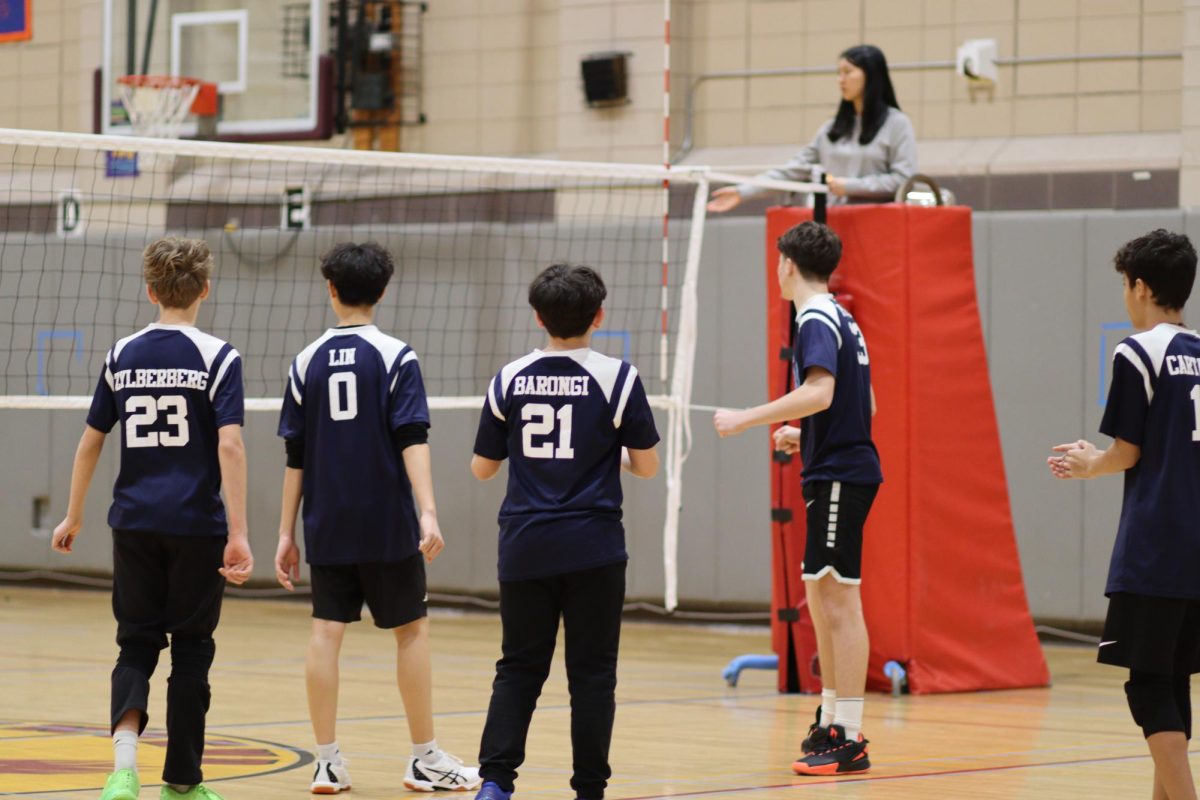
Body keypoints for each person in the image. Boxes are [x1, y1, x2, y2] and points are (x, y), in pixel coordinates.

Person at [51, 237, 254, 800]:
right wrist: (238, 533)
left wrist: (73, 514)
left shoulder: (122, 354)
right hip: (196, 525)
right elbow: (230, 447)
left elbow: (91, 441)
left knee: (135, 644)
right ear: (204, 291)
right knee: (192, 649)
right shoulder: (220, 357)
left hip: (134, 522)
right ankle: (184, 783)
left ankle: (122, 771)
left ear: (149, 290)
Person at [274, 242, 480, 795]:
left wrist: (285, 532)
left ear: (330, 289)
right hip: (386, 520)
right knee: (411, 632)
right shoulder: (396, 356)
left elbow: (295, 455)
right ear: (383, 291)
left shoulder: (305, 361)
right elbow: (412, 437)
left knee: (325, 633)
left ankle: (326, 762)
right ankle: (423, 759)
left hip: (327, 521)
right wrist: (428, 511)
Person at [469, 264, 660, 800]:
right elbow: (647, 467)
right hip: (594, 547)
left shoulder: (509, 379)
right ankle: (589, 791)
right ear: (599, 316)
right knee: (593, 674)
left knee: (519, 667)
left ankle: (495, 782)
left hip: (526, 545)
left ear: (537, 317)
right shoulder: (619, 379)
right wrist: (609, 455)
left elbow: (482, 468)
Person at [713, 221, 880, 776]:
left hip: (839, 476)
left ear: (786, 263)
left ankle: (849, 736)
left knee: (839, 602)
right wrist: (803, 433)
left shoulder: (813, 316)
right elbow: (866, 402)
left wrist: (747, 419)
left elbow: (821, 391)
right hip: (833, 468)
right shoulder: (842, 316)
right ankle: (831, 719)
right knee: (820, 598)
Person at [1048, 229, 1200, 800]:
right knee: (1173, 679)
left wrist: (1090, 464)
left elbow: (1127, 452)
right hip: (1196, 547)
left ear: (1139, 287)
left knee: (1148, 687)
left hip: (1157, 543)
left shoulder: (1136, 352)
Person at [707, 45, 917, 211]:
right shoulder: (830, 129)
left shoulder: (897, 124)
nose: (840, 80)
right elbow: (792, 171)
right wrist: (743, 192)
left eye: (848, 72)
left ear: (871, 76)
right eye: (838, 73)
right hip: (831, 226)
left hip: (878, 226)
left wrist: (849, 186)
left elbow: (903, 180)